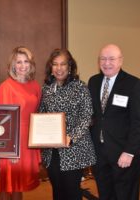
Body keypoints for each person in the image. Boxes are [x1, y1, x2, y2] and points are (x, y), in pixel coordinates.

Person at [88, 44, 140, 200]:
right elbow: (94, 116)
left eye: (112, 59)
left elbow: (139, 123)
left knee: (125, 195)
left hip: (123, 153)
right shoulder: (93, 82)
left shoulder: (133, 84)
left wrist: (129, 152)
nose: (107, 63)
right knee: (105, 193)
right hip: (100, 153)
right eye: (103, 59)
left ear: (120, 61)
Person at [38, 48, 96, 200]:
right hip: (51, 151)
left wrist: (71, 136)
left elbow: (86, 116)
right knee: (57, 190)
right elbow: (42, 114)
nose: (59, 68)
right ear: (50, 67)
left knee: (72, 191)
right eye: (55, 64)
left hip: (73, 149)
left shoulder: (80, 87)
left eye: (63, 64)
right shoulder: (46, 88)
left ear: (70, 66)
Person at [0, 47, 41, 200]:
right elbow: (3, 122)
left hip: (28, 141)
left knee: (18, 185)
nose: (22, 65)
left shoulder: (35, 86)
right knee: (7, 185)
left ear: (31, 64)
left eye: (26, 61)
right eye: (18, 62)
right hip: (12, 141)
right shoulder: (5, 87)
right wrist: (10, 150)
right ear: (12, 65)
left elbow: (38, 114)